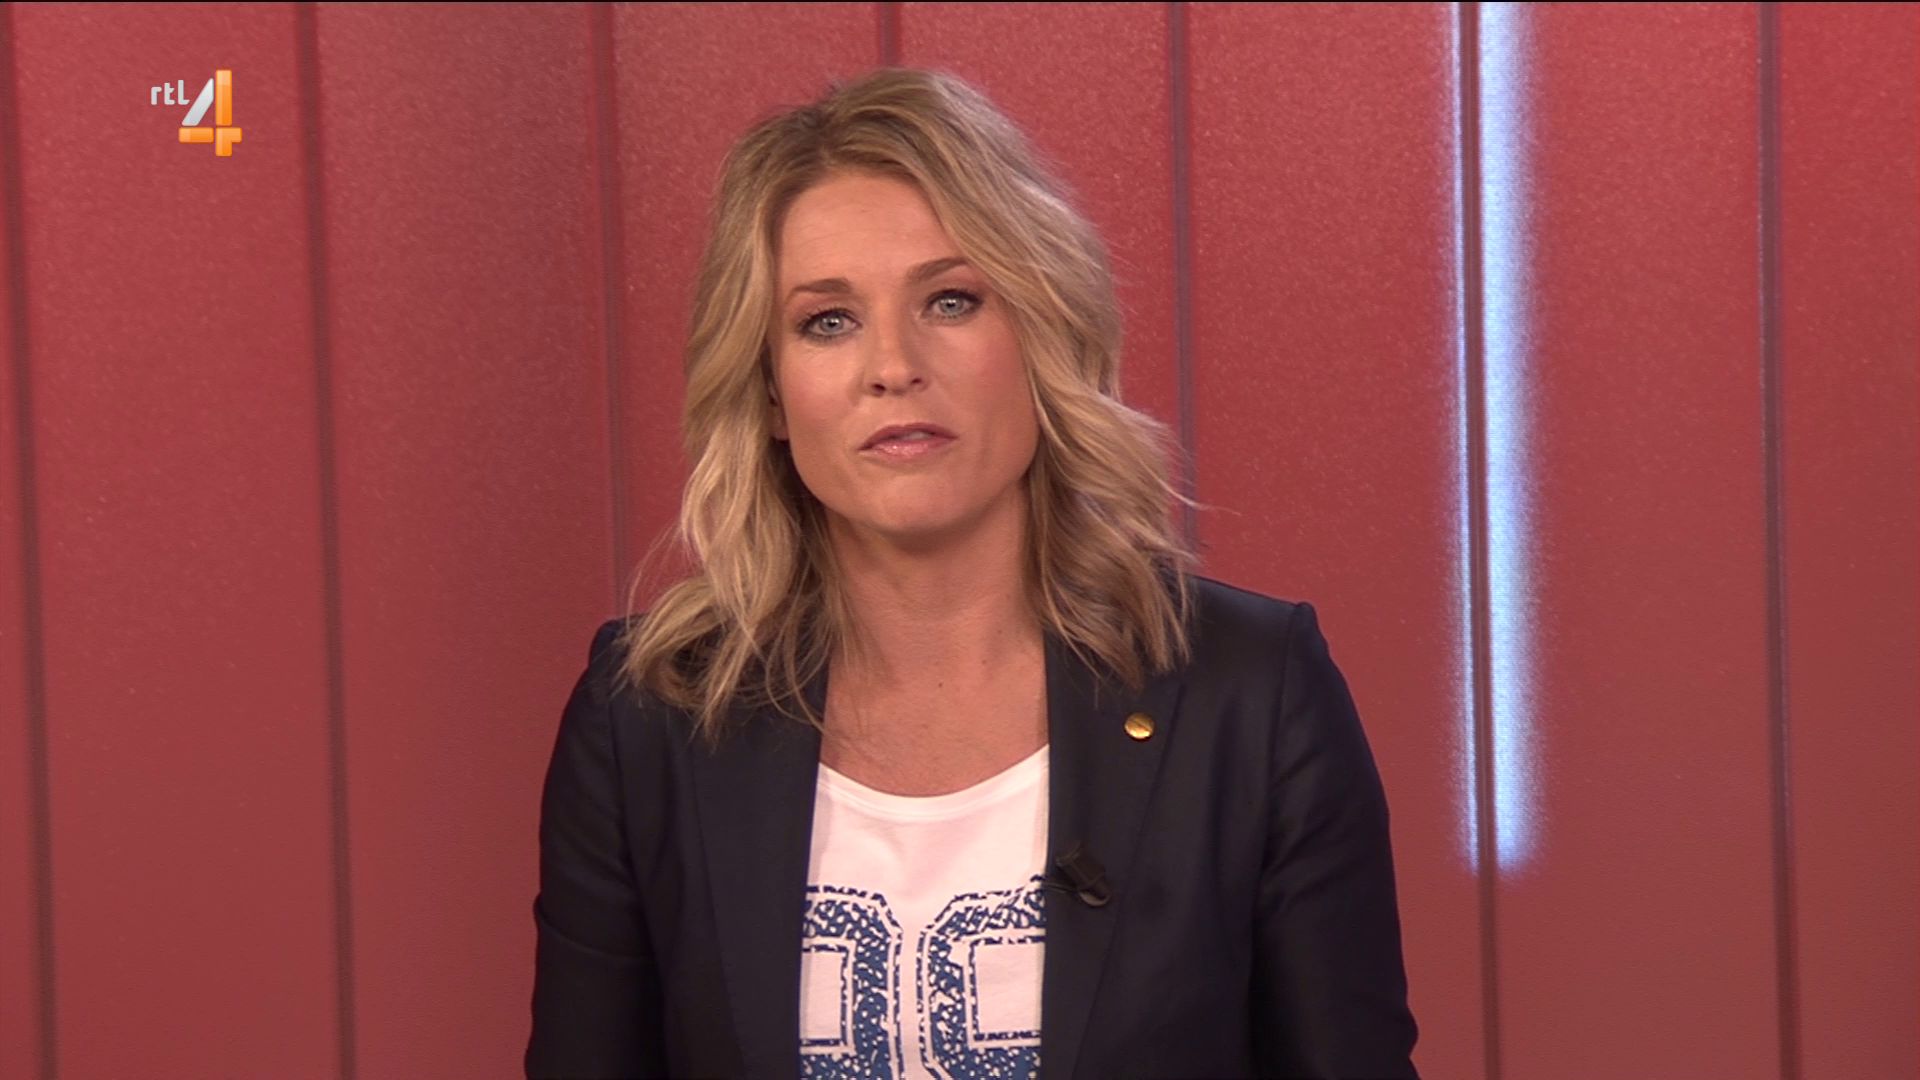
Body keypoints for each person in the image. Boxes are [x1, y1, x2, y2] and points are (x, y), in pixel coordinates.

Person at [525, 67, 1418, 1080]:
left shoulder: (1250, 694)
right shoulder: (650, 716)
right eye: (828, 320)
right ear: (770, 392)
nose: (892, 365)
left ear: (1039, 334)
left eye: (950, 301)